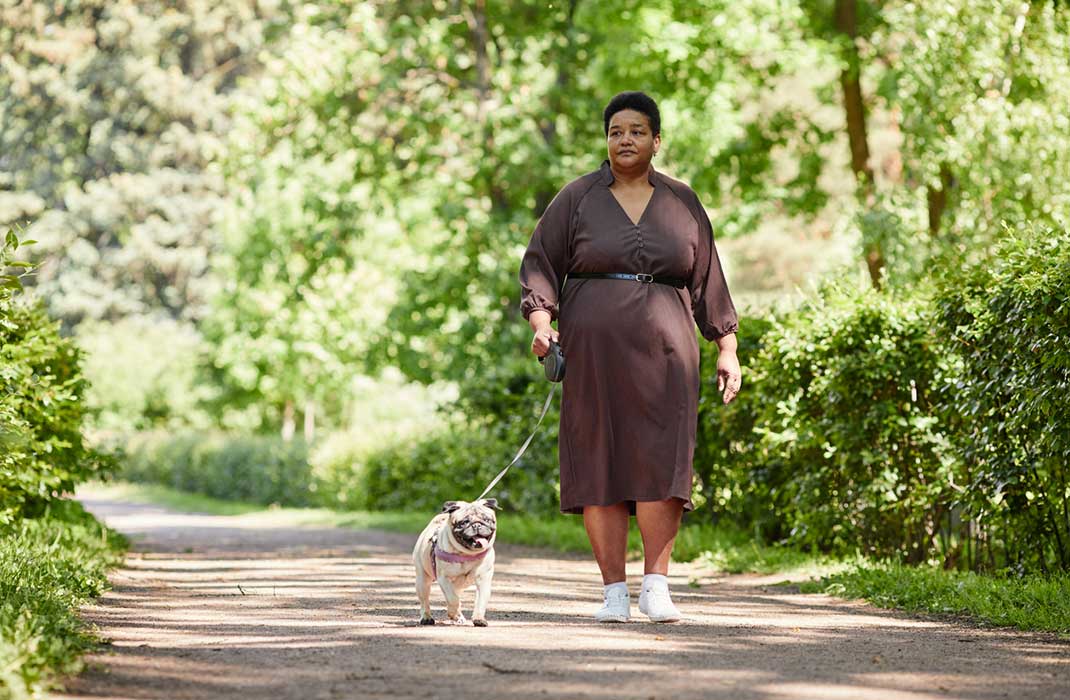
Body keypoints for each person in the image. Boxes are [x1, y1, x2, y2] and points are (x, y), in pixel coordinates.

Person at [518, 91, 742, 623]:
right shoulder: (576, 198)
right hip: (594, 355)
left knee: (663, 459)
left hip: (668, 354)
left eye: (637, 131)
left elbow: (709, 279)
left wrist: (727, 348)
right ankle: (613, 593)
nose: (625, 140)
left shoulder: (682, 201)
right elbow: (540, 265)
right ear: (606, 139)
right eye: (616, 131)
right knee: (598, 459)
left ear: (656, 141)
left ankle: (656, 586)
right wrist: (542, 324)